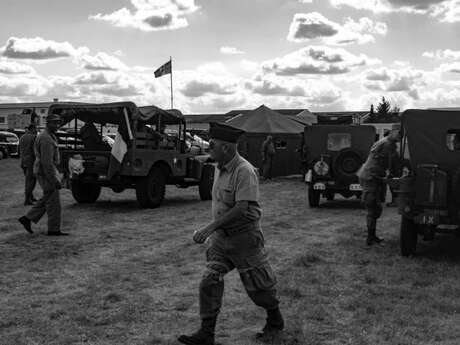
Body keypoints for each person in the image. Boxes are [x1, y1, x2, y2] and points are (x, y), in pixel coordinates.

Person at [178, 122, 284, 345]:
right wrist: (216, 230)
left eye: (213, 146)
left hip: (245, 238)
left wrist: (209, 228)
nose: (209, 149)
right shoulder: (219, 165)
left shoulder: (244, 171)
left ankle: (274, 318)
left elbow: (241, 208)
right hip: (221, 239)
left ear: (226, 148)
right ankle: (207, 333)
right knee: (209, 280)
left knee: (260, 289)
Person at [18, 113, 68, 236]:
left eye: (58, 123)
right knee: (53, 201)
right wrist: (54, 179)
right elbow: (47, 162)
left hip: (45, 171)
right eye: (54, 123)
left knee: (49, 197)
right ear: (48, 124)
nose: (57, 125)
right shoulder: (46, 138)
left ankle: (27, 219)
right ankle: (53, 230)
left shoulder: (49, 136)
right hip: (45, 172)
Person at [357, 123, 401, 246]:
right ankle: (370, 238)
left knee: (375, 206)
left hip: (372, 176)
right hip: (370, 177)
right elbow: (393, 163)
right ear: (393, 132)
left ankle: (372, 236)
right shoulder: (387, 144)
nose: (399, 137)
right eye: (398, 134)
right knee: (372, 207)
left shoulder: (386, 142)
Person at [18, 123, 37, 205]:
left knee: (28, 180)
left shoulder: (22, 137)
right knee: (31, 181)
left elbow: (19, 150)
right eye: (35, 129)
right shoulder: (33, 137)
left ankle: (31, 197)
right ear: (32, 129)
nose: (36, 130)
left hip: (23, 161)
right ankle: (27, 200)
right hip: (30, 162)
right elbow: (34, 151)